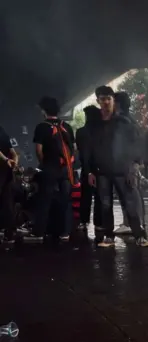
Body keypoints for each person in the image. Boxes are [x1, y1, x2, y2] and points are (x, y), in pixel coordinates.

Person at [87, 86, 148, 248]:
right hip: (101, 172)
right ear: (98, 101)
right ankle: (108, 237)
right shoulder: (95, 125)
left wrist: (135, 166)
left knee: (131, 203)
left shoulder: (124, 122)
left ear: (113, 101)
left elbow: (137, 144)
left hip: (123, 170)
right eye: (102, 99)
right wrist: (89, 170)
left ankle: (140, 236)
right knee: (105, 205)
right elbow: (90, 148)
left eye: (109, 98)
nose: (106, 102)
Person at [28, 96, 75, 243]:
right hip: (66, 170)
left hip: (50, 168)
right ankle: (65, 232)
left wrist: (44, 164)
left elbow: (39, 149)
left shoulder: (42, 126)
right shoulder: (66, 126)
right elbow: (73, 148)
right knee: (66, 200)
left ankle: (39, 233)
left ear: (43, 110)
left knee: (44, 199)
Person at [114, 91, 146, 234]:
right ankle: (134, 223)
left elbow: (131, 144)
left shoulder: (123, 121)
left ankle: (133, 224)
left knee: (130, 192)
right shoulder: (130, 119)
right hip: (130, 162)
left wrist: (133, 164)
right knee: (132, 192)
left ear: (118, 103)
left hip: (127, 163)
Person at [76, 106, 103, 231]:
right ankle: (99, 223)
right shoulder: (103, 130)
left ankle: (83, 221)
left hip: (87, 169)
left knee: (85, 196)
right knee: (100, 197)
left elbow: (83, 154)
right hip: (101, 169)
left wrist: (87, 172)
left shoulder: (81, 132)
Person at [0, 125, 18, 243]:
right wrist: (14, 163)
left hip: (2, 171)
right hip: (7, 173)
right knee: (7, 202)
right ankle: (9, 233)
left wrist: (7, 160)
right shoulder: (2, 131)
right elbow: (14, 153)